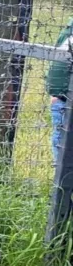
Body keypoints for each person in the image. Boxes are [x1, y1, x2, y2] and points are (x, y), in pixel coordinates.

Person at [46, 16, 73, 164]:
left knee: (60, 138)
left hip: (59, 95)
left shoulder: (67, 32)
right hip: (65, 95)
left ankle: (61, 182)